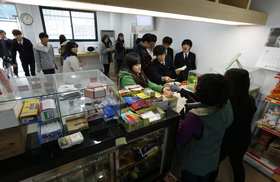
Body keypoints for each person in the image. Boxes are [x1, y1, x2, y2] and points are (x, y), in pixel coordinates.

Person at [172, 74, 233, 182]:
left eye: (197, 84)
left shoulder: (193, 118)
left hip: (192, 163)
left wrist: (181, 120)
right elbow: (209, 111)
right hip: (210, 159)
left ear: (203, 92)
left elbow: (181, 139)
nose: (195, 85)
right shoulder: (226, 107)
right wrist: (191, 101)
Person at [209, 69, 257, 182]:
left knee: (214, 163)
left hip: (227, 139)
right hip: (243, 138)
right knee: (237, 164)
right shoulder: (249, 99)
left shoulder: (228, 102)